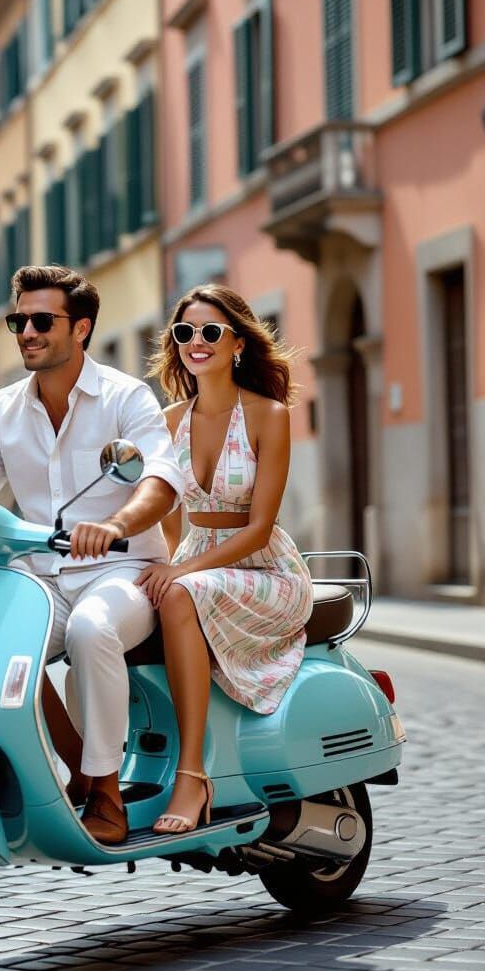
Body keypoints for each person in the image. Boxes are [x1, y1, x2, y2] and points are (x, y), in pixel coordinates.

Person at [0, 265, 184, 844]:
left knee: (93, 631)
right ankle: (73, 769)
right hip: (41, 575)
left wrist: (115, 523)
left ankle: (107, 795)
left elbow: (161, 479)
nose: (26, 331)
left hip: (122, 571)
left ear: (82, 328)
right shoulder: (3, 410)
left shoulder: (126, 397)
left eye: (42, 320)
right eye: (17, 321)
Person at [136, 284, 314, 835]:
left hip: (264, 568)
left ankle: (193, 776)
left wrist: (181, 572)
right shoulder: (167, 421)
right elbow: (166, 516)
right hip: (197, 559)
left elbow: (260, 526)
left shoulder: (269, 414)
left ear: (237, 342)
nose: (196, 342)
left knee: (181, 590)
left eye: (210, 331)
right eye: (184, 332)